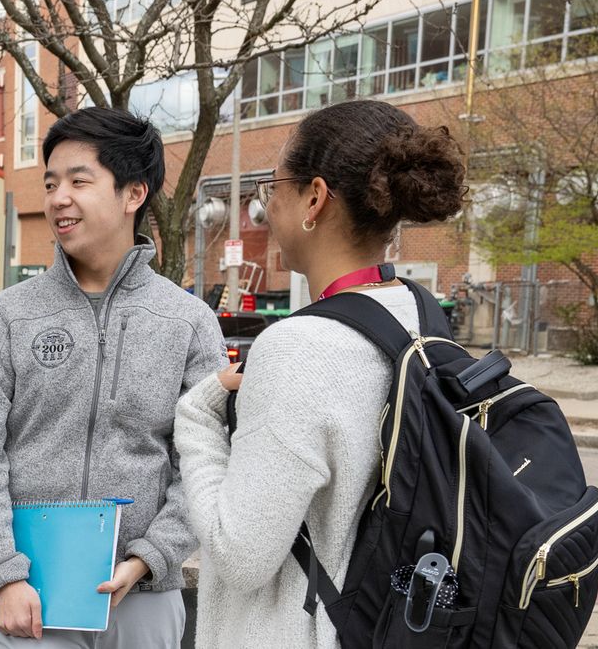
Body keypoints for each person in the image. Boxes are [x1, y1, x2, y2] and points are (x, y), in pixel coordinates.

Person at [172, 100, 469, 648]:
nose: (268, 205)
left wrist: (198, 414)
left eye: (273, 188)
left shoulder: (298, 349)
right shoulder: (420, 312)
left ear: (314, 198)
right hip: (385, 624)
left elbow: (239, 554)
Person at [0, 107, 225, 647]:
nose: (58, 198)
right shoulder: (10, 315)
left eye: (80, 181)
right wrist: (3, 572)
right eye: (51, 182)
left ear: (134, 194)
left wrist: (151, 558)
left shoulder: (189, 321)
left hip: (142, 588)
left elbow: (203, 459)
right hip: (27, 591)